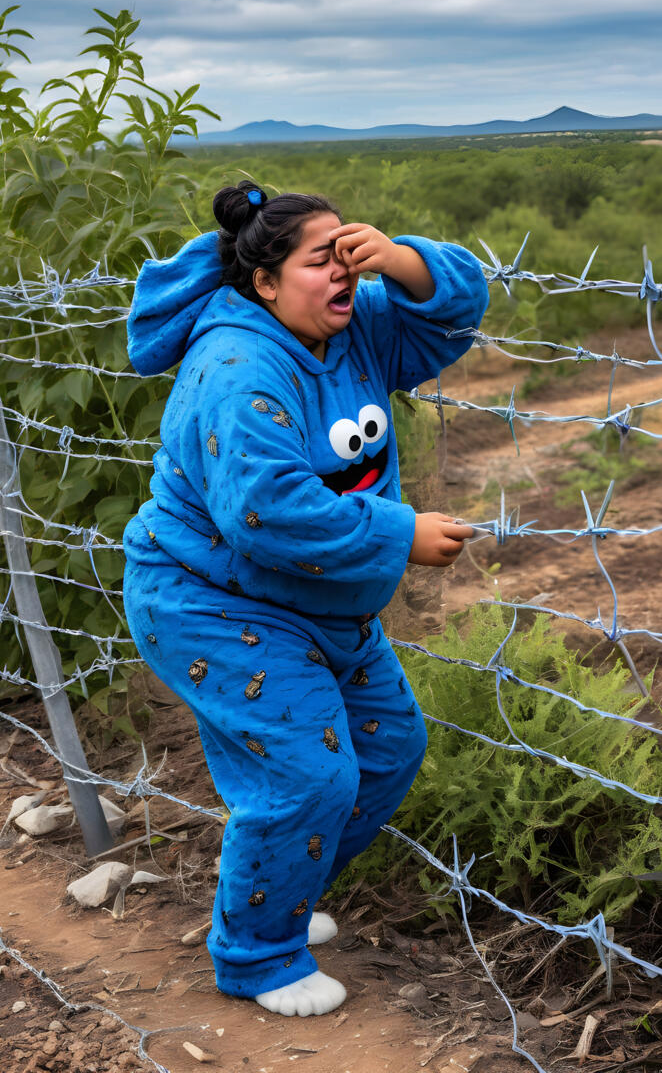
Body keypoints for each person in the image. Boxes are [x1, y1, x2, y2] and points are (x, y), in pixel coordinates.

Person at [122, 181, 489, 1018]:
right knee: (308, 778)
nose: (344, 272)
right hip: (210, 600)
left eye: (350, 252)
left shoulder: (355, 328)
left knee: (389, 748)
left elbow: (453, 317)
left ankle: (276, 890)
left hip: (324, 606)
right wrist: (400, 535)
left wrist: (400, 259)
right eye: (321, 260)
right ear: (263, 283)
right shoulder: (238, 365)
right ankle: (256, 955)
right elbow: (266, 509)